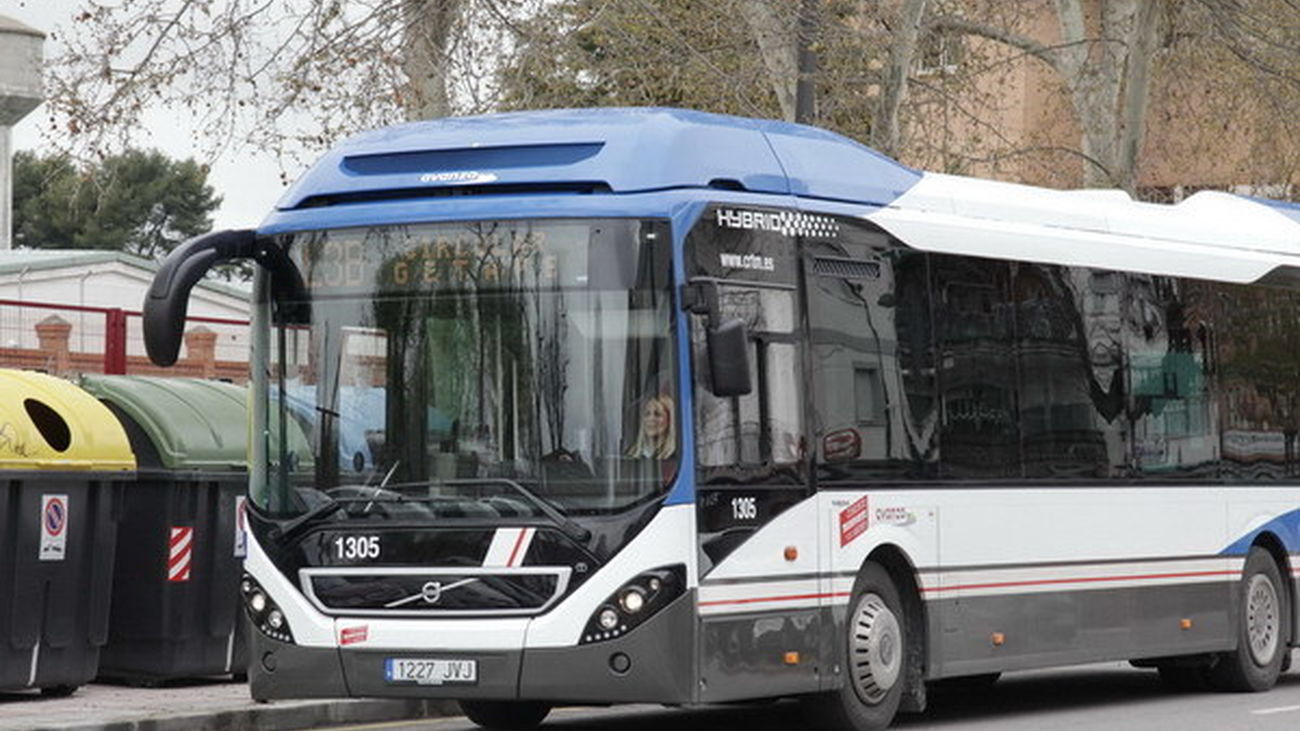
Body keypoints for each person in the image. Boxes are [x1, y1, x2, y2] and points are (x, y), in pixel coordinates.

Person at [628, 394, 676, 459]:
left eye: (657, 414)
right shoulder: (631, 453)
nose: (651, 419)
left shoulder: (674, 456)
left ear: (670, 420)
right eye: (647, 414)